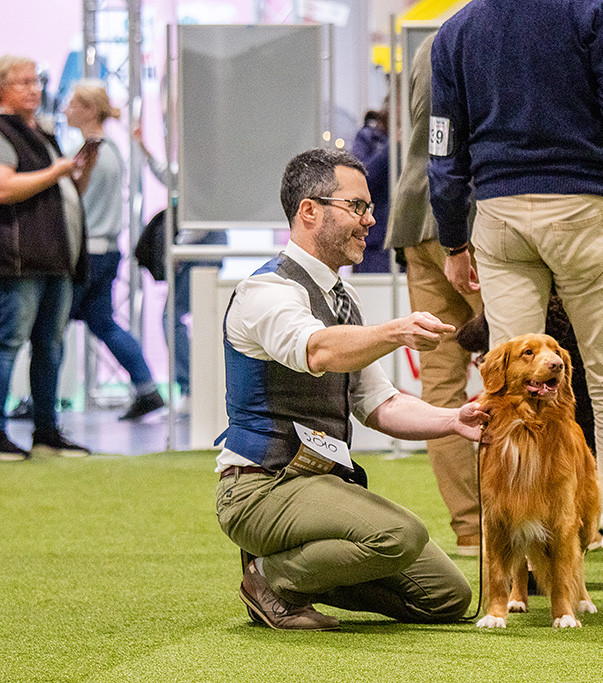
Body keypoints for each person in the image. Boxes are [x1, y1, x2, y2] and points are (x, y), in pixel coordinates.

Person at [430, 0, 603, 589]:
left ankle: (523, 566)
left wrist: (454, 241)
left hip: (499, 213)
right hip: (583, 205)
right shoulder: (585, 11)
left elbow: (442, 154)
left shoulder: (455, 31)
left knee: (509, 391)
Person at [216, 148, 484, 630]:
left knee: (448, 596)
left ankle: (301, 573)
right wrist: (394, 331)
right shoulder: (266, 291)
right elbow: (317, 350)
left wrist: (454, 420)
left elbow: (380, 404)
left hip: (321, 484)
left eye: (369, 207)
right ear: (309, 211)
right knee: (400, 535)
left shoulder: (344, 297)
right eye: (357, 206)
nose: (370, 220)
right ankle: (270, 579)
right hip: (259, 488)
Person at [384, 32, 483, 556]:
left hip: (415, 216)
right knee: (522, 366)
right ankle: (534, 517)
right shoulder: (492, 35)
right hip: (472, 221)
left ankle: (470, 526)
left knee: (441, 385)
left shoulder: (430, 43)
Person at [0, 55, 94, 461]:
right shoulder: (4, 132)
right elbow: (4, 188)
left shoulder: (41, 132)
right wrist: (56, 172)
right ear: (2, 87)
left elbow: (64, 188)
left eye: (36, 81)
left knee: (50, 347)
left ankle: (47, 432)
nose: (34, 89)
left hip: (56, 257)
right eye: (23, 82)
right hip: (21, 259)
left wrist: (75, 169)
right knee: (8, 344)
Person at [64, 81, 164, 420]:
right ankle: (147, 388)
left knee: (51, 329)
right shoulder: (111, 152)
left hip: (85, 254)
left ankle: (40, 406)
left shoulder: (88, 156)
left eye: (73, 103)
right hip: (104, 251)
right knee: (103, 322)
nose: (66, 109)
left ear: (90, 110)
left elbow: (73, 204)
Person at [132, 122, 226, 409]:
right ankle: (193, 387)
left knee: (173, 318)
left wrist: (178, 252)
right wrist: (146, 150)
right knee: (185, 318)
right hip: (202, 249)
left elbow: (199, 215)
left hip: (200, 251)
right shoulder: (200, 167)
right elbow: (171, 178)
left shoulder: (204, 170)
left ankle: (191, 387)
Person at [350, 109, 391, 273]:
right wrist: (392, 148)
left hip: (404, 238)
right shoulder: (367, 138)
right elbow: (361, 180)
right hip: (374, 242)